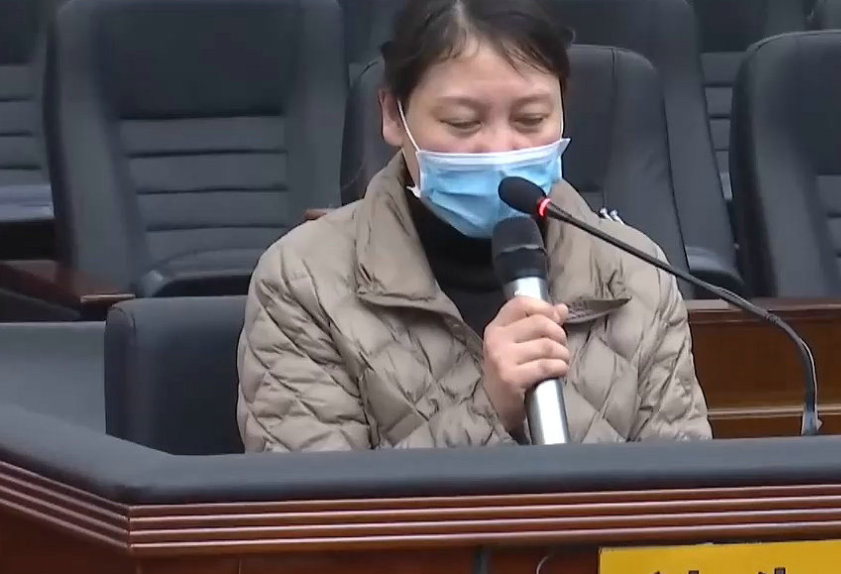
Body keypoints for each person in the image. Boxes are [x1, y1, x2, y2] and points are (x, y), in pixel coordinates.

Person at [237, 0, 711, 451]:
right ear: (393, 115)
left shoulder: (637, 271)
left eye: (531, 119)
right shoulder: (303, 282)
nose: (501, 149)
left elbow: (687, 493)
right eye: (463, 123)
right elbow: (317, 504)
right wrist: (488, 409)